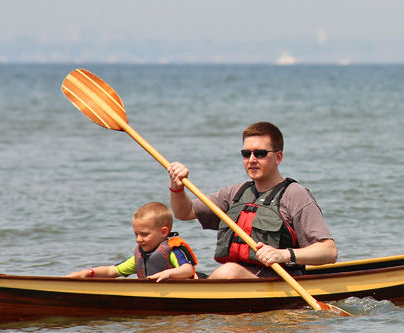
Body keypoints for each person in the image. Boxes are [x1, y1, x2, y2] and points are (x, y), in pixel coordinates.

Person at [167, 121, 337, 279]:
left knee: (229, 271)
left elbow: (329, 251)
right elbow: (184, 212)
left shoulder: (295, 195)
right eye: (246, 154)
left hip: (278, 282)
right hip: (235, 279)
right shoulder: (235, 193)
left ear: (278, 157)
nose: (252, 160)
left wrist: (284, 254)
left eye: (260, 154)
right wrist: (177, 187)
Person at [66, 202, 198, 282]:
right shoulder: (141, 256)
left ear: (163, 232)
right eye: (136, 234)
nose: (139, 239)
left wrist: (167, 273)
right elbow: (111, 271)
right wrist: (87, 273)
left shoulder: (172, 250)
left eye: (145, 234)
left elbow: (187, 270)